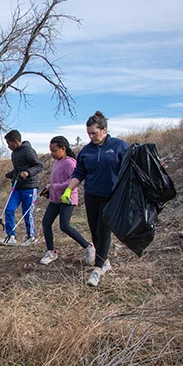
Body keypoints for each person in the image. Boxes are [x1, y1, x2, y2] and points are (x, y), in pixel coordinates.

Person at [61, 111, 128, 287]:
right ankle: (104, 262)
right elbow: (79, 173)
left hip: (111, 196)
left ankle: (97, 270)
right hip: (92, 195)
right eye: (88, 133)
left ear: (104, 130)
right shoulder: (86, 151)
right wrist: (68, 190)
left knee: (104, 229)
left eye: (94, 133)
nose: (91, 136)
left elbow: (129, 169)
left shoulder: (119, 146)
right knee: (95, 231)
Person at [38, 136, 95, 265]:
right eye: (50, 151)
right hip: (55, 199)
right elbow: (56, 181)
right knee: (46, 222)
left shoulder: (70, 162)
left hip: (67, 199)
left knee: (65, 226)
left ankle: (88, 247)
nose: (52, 154)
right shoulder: (57, 162)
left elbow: (73, 180)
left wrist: (55, 187)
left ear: (63, 149)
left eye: (54, 150)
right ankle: (50, 251)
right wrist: (49, 188)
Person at [0, 130, 43, 247]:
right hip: (17, 187)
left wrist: (28, 172)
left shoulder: (28, 151)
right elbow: (17, 170)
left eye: (8, 143)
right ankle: (10, 236)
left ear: (15, 142)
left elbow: (38, 166)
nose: (8, 146)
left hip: (30, 186)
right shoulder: (14, 154)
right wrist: (9, 174)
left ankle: (31, 237)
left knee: (27, 213)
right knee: (9, 209)